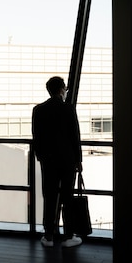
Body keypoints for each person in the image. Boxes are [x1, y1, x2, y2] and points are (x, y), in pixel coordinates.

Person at [32, 76, 83, 248]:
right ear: (62, 90)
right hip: (67, 160)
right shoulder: (68, 109)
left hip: (48, 160)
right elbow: (75, 137)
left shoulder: (38, 110)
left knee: (50, 196)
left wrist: (41, 156)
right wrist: (78, 160)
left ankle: (49, 235)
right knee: (67, 197)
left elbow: (36, 137)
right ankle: (69, 235)